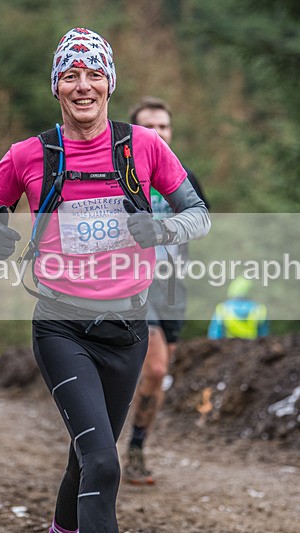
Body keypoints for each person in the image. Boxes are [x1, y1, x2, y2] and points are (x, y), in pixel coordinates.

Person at [0, 28, 209, 533]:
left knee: (86, 457)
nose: (83, 85)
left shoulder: (145, 148)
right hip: (61, 326)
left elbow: (198, 215)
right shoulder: (31, 154)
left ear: (110, 84)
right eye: (70, 76)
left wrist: (159, 228)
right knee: (104, 462)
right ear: (56, 87)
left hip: (129, 328)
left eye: (94, 74)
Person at [122, 97, 210, 486]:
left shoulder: (184, 176)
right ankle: (106, 440)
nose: (158, 134)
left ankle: (137, 447)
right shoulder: (121, 174)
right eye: (149, 127)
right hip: (133, 281)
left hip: (173, 283)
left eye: (164, 127)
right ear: (134, 132)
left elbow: (203, 221)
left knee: (158, 376)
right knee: (154, 367)